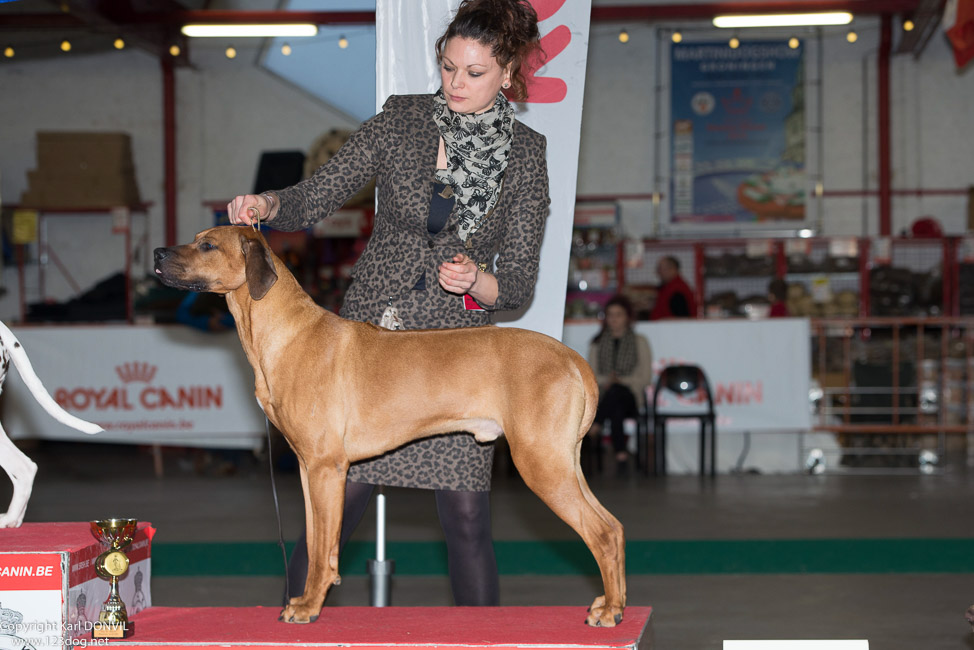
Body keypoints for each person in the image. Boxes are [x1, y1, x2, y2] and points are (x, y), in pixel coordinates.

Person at [226, 0, 548, 607]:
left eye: (473, 73)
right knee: (330, 517)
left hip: (455, 360)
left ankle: (483, 649)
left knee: (467, 522)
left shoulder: (528, 155)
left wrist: (478, 278)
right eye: (447, 66)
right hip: (371, 339)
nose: (454, 83)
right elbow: (318, 194)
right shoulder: (401, 120)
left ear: (507, 73)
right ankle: (296, 628)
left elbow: (521, 283)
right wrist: (268, 205)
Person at [587, 295, 653, 474]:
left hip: (631, 396)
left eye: (619, 314)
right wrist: (609, 380)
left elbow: (645, 377)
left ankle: (597, 423)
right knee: (615, 402)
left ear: (627, 317)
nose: (614, 319)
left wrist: (620, 381)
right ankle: (621, 454)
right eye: (610, 315)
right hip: (606, 396)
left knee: (617, 392)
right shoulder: (597, 342)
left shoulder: (640, 342)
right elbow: (591, 376)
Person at [650, 255, 697, 319]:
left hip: (670, 328)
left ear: (672, 269)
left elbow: (683, 319)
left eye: (661, 269)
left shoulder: (677, 291)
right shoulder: (668, 288)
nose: (658, 272)